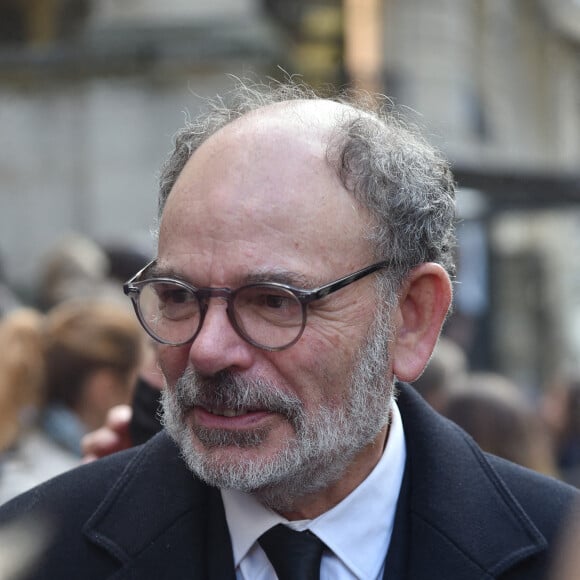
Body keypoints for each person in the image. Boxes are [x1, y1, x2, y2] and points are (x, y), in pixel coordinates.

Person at [0, 78, 577, 580]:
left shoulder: (553, 551)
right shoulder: (38, 551)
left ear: (411, 317)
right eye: (178, 296)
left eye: (274, 302)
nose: (207, 349)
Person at [0, 300, 144, 504]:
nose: (141, 397)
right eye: (135, 383)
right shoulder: (61, 492)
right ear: (105, 388)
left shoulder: (26, 448)